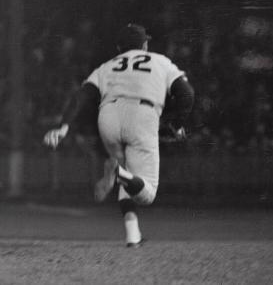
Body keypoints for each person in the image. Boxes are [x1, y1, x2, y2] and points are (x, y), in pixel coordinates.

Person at [44, 23, 194, 247]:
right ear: (144, 45)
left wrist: (63, 127)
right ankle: (119, 174)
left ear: (118, 47)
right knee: (147, 193)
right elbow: (186, 94)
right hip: (142, 114)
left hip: (108, 117)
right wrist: (176, 124)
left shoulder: (106, 67)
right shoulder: (160, 61)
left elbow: (81, 97)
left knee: (127, 174)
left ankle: (133, 236)